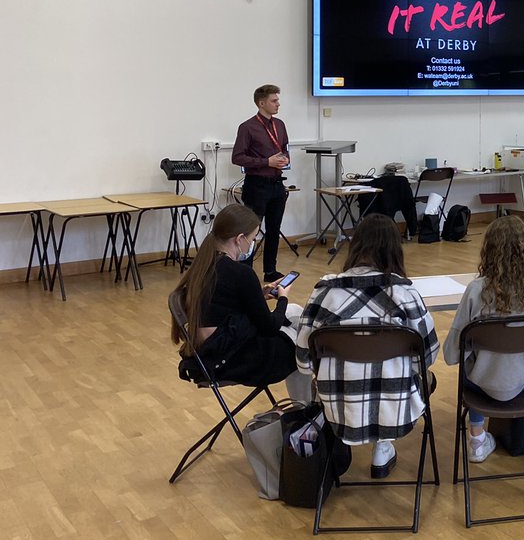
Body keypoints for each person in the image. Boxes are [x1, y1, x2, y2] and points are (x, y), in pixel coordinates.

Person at [292, 214, 438, 480]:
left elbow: (303, 362)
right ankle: (383, 446)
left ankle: (357, 435)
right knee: (420, 376)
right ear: (395, 249)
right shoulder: (405, 294)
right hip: (398, 411)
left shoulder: (324, 292)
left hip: (338, 410)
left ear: (355, 245)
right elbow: (427, 357)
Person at [444, 216, 524, 464]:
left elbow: (452, 355)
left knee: (471, 366)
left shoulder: (475, 291)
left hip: (480, 385)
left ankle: (477, 438)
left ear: (488, 252)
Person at [170, 204, 309, 401]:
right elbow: (268, 328)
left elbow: (222, 303)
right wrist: (283, 298)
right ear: (239, 239)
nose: (253, 243)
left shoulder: (205, 264)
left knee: (297, 316)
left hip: (211, 351)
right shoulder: (241, 273)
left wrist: (257, 295)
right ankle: (304, 407)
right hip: (233, 359)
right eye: (252, 238)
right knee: (304, 343)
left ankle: (304, 406)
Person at [232, 84, 290, 282]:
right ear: (261, 103)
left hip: (277, 184)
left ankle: (270, 270)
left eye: (278, 100)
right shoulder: (247, 127)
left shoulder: (280, 124)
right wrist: (267, 162)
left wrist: (285, 159)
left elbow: (284, 148)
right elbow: (238, 157)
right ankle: (245, 271)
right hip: (256, 185)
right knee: (251, 230)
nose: (278, 104)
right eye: (274, 101)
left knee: (274, 229)